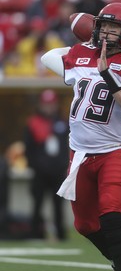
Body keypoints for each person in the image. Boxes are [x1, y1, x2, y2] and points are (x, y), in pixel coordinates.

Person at [40, 2, 121, 271]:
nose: (105, 33)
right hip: (79, 154)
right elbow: (48, 57)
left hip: (113, 150)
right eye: (102, 26)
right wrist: (83, 31)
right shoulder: (81, 53)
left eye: (113, 28)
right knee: (85, 224)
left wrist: (108, 75)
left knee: (112, 212)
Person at [24, 89, 69, 241]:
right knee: (37, 203)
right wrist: (36, 166)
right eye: (46, 104)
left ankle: (60, 234)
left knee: (58, 206)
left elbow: (67, 146)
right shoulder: (33, 123)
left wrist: (64, 165)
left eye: (51, 104)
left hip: (58, 171)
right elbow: (28, 148)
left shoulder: (63, 122)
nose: (49, 107)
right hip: (40, 172)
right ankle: (35, 234)